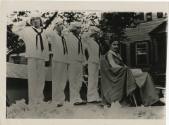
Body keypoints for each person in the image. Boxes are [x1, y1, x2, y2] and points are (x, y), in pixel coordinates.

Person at [100, 40, 164, 107]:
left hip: (124, 72)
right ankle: (152, 100)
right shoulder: (110, 54)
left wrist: (128, 68)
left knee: (143, 74)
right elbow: (113, 66)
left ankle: (150, 99)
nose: (116, 46)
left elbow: (124, 65)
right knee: (145, 75)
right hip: (121, 75)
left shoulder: (117, 54)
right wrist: (126, 69)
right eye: (114, 45)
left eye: (117, 45)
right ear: (110, 45)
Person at [17, 13, 49, 104]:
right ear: (31, 21)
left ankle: (40, 99)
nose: (35, 20)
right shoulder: (27, 30)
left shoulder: (45, 31)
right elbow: (15, 29)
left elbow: (48, 44)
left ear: (40, 20)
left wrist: (46, 57)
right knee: (32, 79)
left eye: (37, 19)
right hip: (32, 57)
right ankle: (33, 101)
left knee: (41, 79)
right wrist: (23, 22)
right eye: (33, 19)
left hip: (41, 57)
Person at [46, 18, 69, 107]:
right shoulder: (53, 35)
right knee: (56, 80)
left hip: (64, 60)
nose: (61, 26)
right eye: (59, 24)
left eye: (62, 24)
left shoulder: (63, 37)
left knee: (63, 80)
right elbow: (47, 33)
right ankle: (56, 99)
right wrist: (53, 27)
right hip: (57, 59)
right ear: (56, 26)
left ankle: (61, 99)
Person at [63, 22, 86, 105]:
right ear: (74, 29)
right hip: (72, 61)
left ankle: (78, 97)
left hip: (79, 61)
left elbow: (82, 50)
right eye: (78, 28)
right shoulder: (68, 37)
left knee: (79, 80)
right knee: (73, 80)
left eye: (80, 28)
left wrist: (84, 61)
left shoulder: (79, 38)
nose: (80, 30)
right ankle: (73, 99)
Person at [82, 26, 101, 103]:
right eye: (96, 33)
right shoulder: (88, 41)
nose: (97, 34)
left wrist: (99, 64)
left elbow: (98, 54)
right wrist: (91, 32)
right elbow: (83, 37)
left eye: (97, 33)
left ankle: (95, 96)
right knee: (91, 79)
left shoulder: (96, 42)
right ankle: (90, 97)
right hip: (91, 62)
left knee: (95, 80)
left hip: (96, 62)